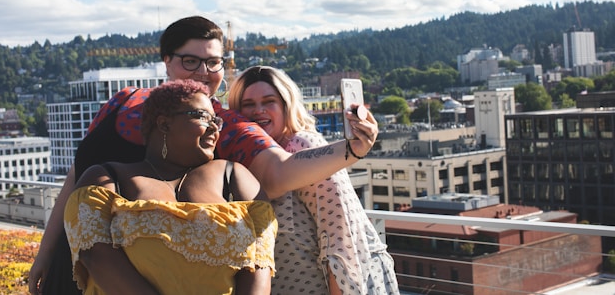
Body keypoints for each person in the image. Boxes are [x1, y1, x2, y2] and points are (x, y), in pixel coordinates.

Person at [29, 16, 378, 295]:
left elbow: (279, 172)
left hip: (147, 276)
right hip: (77, 256)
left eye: (214, 63)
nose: (204, 72)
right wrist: (45, 254)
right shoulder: (122, 101)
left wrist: (352, 149)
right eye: (191, 60)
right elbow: (76, 177)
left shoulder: (223, 123)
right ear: (166, 61)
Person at [63, 79, 277, 294]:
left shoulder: (234, 178)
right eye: (203, 117)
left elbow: (260, 264)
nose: (214, 128)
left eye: (217, 121)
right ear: (164, 124)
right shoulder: (106, 179)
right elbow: (97, 257)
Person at [228, 65, 400, 295]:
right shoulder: (244, 161)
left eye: (269, 101)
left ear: (286, 105)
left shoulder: (302, 145)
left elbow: (341, 236)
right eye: (248, 105)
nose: (258, 110)